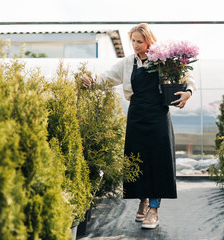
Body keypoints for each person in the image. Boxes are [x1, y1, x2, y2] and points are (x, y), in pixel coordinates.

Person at [82, 23, 196, 229]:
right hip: (136, 116)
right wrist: (91, 81)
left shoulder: (164, 61)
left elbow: (188, 76)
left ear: (148, 41)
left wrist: (188, 92)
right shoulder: (128, 63)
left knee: (158, 161)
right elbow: (107, 77)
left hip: (158, 116)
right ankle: (142, 200)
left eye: (139, 41)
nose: (135, 45)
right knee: (137, 160)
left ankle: (154, 209)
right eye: (133, 41)